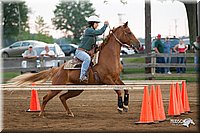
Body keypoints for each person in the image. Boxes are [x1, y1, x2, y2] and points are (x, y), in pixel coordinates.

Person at [75, 15, 109, 82]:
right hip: (80, 52)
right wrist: (105, 25)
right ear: (92, 23)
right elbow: (100, 32)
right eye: (96, 23)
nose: (97, 25)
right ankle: (82, 76)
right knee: (87, 58)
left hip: (85, 52)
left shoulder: (92, 32)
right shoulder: (89, 30)